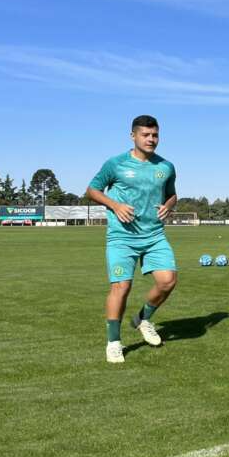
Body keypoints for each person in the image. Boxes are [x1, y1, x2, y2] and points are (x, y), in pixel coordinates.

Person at [86, 115, 178, 364]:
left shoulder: (166, 167)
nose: (151, 139)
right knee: (121, 287)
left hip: (154, 235)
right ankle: (114, 342)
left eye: (155, 135)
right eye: (146, 135)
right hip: (122, 237)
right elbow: (92, 190)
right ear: (133, 136)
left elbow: (172, 195)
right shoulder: (115, 164)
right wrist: (115, 205)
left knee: (168, 281)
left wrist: (169, 206)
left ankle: (142, 319)